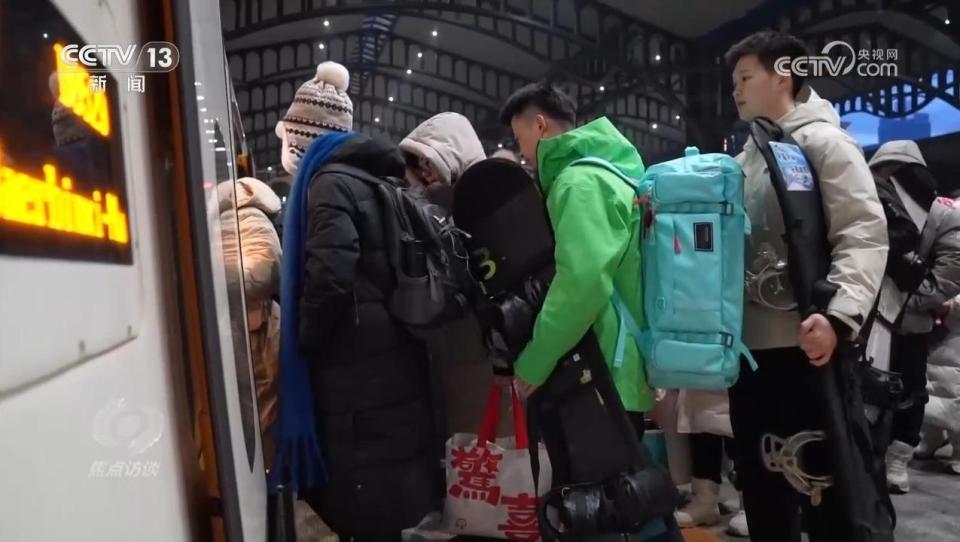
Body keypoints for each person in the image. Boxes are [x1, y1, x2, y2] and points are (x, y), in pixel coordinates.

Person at [725, 31, 888, 541]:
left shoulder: (825, 143)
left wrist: (840, 314)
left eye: (745, 77)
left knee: (823, 488)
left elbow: (862, 231)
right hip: (749, 353)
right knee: (762, 487)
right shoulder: (744, 159)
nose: (735, 90)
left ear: (784, 75)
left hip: (808, 348)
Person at [272, 60, 440, 540]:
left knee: (364, 503)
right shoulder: (372, 179)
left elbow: (331, 275)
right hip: (387, 366)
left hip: (357, 379)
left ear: (302, 140)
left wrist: (305, 339)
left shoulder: (328, 184)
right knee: (388, 498)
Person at [498, 80, 653, 431]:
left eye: (520, 139)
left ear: (540, 125)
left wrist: (536, 360)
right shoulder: (607, 173)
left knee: (602, 466)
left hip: (599, 371)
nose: (522, 153)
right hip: (617, 363)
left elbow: (582, 283)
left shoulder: (578, 184)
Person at [868, 140, 960, 492]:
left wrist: (907, 300)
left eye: (895, 171)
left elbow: (949, 271)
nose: (887, 179)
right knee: (863, 388)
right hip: (865, 319)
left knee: (912, 391)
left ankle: (898, 458)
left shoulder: (942, 214)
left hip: (910, 323)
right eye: (881, 171)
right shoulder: (865, 203)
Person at [217, 176, 283, 468]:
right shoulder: (254, 219)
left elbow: (263, 270)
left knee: (257, 403)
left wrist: (217, 280)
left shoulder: (246, 218)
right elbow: (268, 270)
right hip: (250, 324)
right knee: (261, 404)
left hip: (251, 324)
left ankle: (263, 470)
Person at [673, 391, 747, 538]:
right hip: (700, 381)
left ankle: (750, 505)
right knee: (701, 421)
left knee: (741, 425)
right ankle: (704, 500)